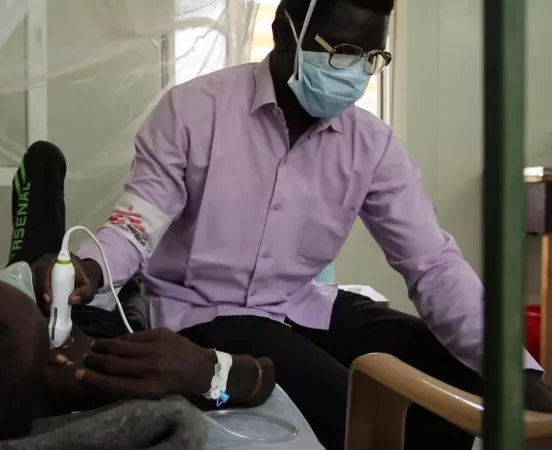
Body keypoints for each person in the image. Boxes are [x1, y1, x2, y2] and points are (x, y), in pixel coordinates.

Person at [31, 1, 552, 450]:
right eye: (343, 51)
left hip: (301, 303)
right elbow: (139, 220)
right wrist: (93, 268)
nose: (357, 72)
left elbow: (433, 264)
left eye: (372, 58)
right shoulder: (194, 110)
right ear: (285, 32)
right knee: (351, 397)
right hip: (205, 309)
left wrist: (518, 367)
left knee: (452, 365)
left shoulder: (370, 145)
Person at [0, 143, 275, 449]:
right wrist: (210, 371)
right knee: (73, 263)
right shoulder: (115, 372)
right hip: (101, 310)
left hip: (55, 293)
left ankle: (36, 244)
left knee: (42, 232)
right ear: (56, 359)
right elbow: (260, 379)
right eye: (16, 289)